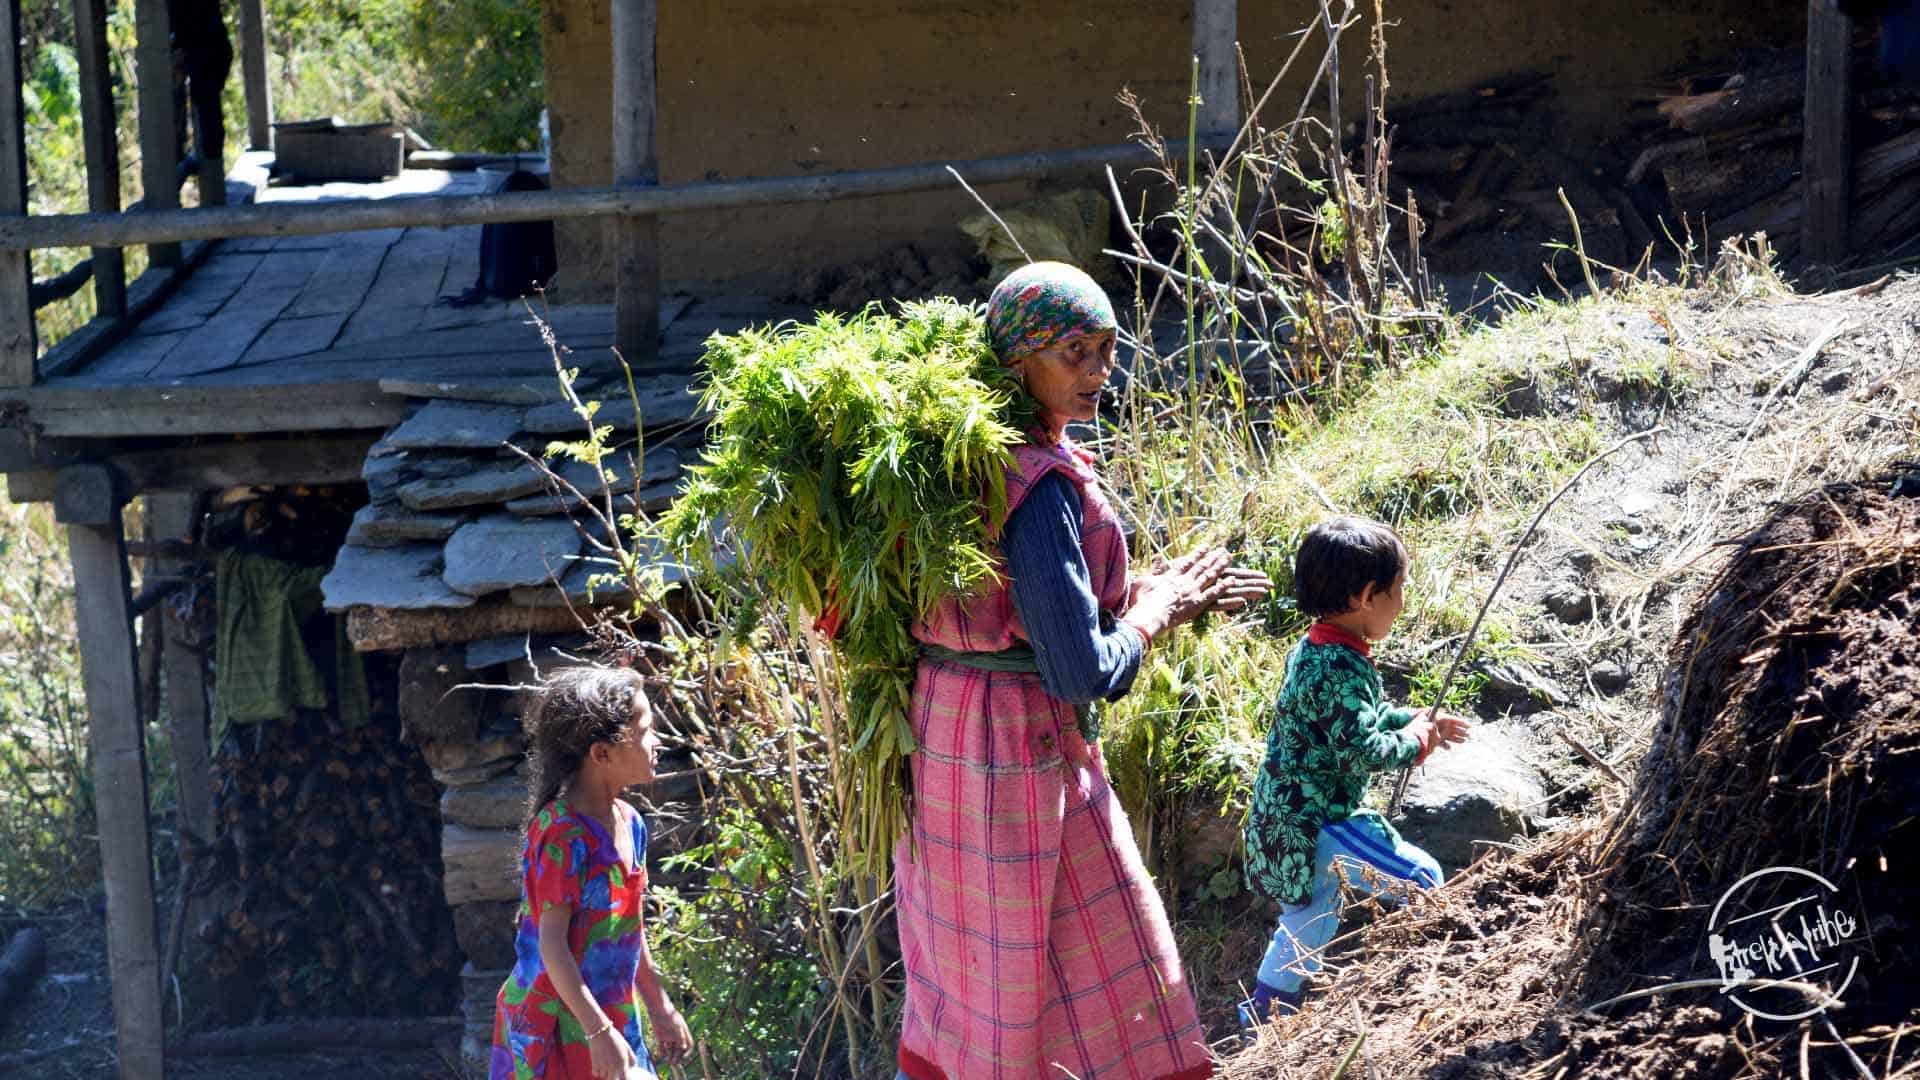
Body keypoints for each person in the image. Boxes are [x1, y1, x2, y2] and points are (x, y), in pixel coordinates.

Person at [893, 261, 1272, 1080]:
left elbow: (1011, 612)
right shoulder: (1037, 487)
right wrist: (1155, 611)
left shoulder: (961, 459)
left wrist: (1161, 590)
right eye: (1074, 353)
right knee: (1118, 960)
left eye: (1106, 349)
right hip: (1022, 757)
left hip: (946, 744)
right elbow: (1079, 670)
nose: (1099, 372)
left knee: (984, 973)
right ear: (1016, 362)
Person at [1239, 517, 1472, 1025]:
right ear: (1368, 595)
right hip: (1323, 820)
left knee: (1309, 920)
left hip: (1286, 817)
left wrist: (1409, 719)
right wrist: (1413, 742)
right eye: (1399, 589)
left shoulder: (1316, 649)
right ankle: (1431, 982)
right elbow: (1360, 748)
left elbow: (1346, 723)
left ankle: (1264, 1014)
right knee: (1424, 881)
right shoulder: (1340, 666)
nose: (1403, 602)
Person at [492, 666, 692, 1080]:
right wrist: (598, 1030)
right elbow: (553, 946)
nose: (657, 743)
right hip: (554, 1024)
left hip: (608, 1014)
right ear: (601, 754)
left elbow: (628, 929)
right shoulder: (562, 835)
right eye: (647, 732)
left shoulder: (630, 821)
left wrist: (659, 1006)